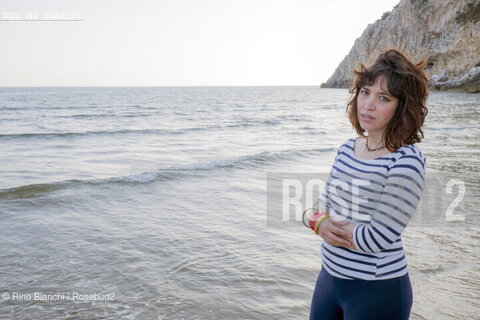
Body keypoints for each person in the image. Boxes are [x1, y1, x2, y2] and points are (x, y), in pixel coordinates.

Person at [309, 48, 429, 320]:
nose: (368, 105)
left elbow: (379, 237)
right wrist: (318, 222)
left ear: (402, 106)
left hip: (377, 289)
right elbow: (320, 205)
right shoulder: (346, 149)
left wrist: (326, 224)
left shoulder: (406, 161)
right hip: (329, 278)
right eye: (365, 92)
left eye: (383, 97)